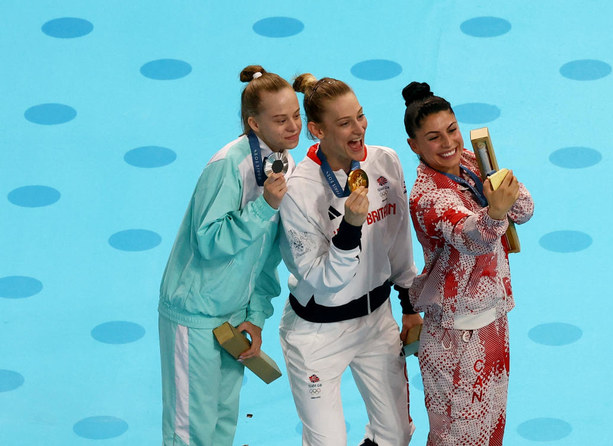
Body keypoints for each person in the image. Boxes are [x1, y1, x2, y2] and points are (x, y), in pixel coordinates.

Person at [157, 65, 301, 446]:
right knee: (190, 431)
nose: (294, 127)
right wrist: (264, 206)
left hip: (233, 318)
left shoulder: (285, 163)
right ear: (254, 123)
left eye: (297, 116)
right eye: (281, 119)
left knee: (222, 426)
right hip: (195, 316)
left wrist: (254, 317)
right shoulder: (227, 165)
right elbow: (207, 240)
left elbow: (267, 255)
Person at [278, 73, 423, 446]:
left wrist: (409, 304)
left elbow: (398, 241)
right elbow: (321, 280)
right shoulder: (299, 191)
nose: (359, 129)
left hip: (376, 321)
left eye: (360, 116)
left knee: (396, 436)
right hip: (317, 333)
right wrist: (350, 227)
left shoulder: (385, 162)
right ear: (316, 130)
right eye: (344, 123)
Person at [402, 81, 534, 446]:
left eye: (452, 130)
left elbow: (525, 209)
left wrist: (506, 191)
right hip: (454, 335)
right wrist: (496, 210)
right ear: (414, 146)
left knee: (491, 432)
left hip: (495, 320)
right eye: (433, 138)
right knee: (455, 438)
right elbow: (469, 237)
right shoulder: (426, 196)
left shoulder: (475, 162)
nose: (448, 144)